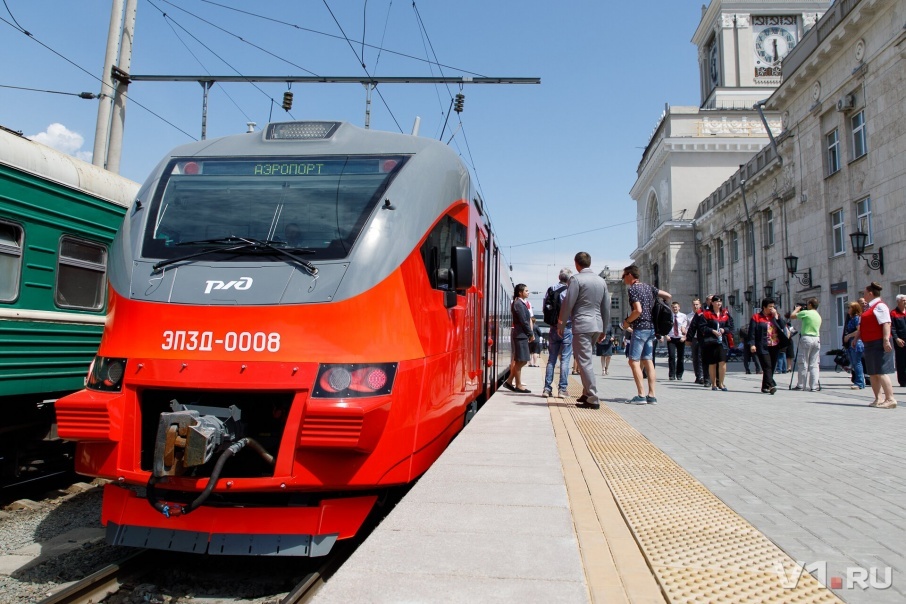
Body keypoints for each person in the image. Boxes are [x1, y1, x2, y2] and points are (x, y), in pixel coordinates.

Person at [557, 252, 610, 409]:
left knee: (584, 361)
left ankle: (592, 397)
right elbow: (605, 307)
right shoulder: (601, 281)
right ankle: (586, 393)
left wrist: (561, 322)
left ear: (576, 264)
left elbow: (568, 303)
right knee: (586, 359)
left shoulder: (576, 279)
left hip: (582, 325)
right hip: (596, 325)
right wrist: (604, 329)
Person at [620, 264, 671, 405]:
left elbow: (638, 310)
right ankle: (652, 395)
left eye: (624, 276)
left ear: (630, 275)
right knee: (648, 361)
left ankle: (641, 395)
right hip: (651, 329)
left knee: (633, 361)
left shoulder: (633, 289)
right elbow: (668, 296)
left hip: (640, 328)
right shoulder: (649, 287)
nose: (623, 279)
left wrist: (627, 322)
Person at [851, 282, 897, 409]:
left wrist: (886, 340)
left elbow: (886, 323)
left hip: (878, 342)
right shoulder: (869, 307)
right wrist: (856, 338)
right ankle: (878, 398)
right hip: (869, 343)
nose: (863, 295)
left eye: (865, 293)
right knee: (872, 372)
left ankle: (890, 399)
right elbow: (863, 326)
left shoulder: (880, 306)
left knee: (881, 371)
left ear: (870, 293)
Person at [542, 268, 573, 398]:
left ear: (559, 276)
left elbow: (545, 307)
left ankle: (547, 389)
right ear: (569, 279)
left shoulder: (550, 289)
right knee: (565, 360)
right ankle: (562, 389)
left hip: (553, 328)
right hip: (567, 327)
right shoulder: (569, 291)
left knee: (551, 359)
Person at [747, 297, 788, 395]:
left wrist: (777, 317)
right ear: (764, 307)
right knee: (767, 366)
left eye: (773, 306)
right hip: (762, 345)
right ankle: (771, 385)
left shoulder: (774, 316)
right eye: (770, 306)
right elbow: (751, 332)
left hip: (774, 345)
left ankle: (765, 387)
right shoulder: (756, 317)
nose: (772, 308)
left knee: (772, 366)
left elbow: (783, 326)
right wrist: (752, 344)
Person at [502, 283, 534, 393]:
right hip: (520, 335)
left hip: (521, 334)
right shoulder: (519, 304)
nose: (528, 292)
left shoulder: (520, 303)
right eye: (526, 291)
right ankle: (518, 385)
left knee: (522, 360)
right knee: (521, 360)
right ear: (520, 292)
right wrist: (530, 333)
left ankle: (510, 381)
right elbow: (524, 321)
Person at [700, 295, 733, 391]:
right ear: (712, 303)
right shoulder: (706, 314)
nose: (719, 303)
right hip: (711, 341)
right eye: (717, 301)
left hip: (722, 341)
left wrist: (724, 329)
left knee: (722, 362)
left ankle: (721, 383)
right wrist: (712, 331)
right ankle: (713, 384)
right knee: (712, 363)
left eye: (720, 302)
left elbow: (730, 326)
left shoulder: (725, 314)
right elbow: (702, 327)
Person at [790, 298, 822, 392]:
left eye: (808, 304)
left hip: (807, 338)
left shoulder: (807, 313)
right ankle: (813, 386)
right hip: (817, 339)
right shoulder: (818, 315)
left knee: (803, 362)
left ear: (811, 305)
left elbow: (792, 316)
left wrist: (797, 309)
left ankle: (801, 385)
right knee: (814, 364)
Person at [842, 301, 865, 390]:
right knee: (854, 363)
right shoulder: (851, 318)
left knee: (857, 362)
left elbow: (859, 330)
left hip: (856, 342)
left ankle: (859, 382)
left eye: (850, 308)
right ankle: (858, 380)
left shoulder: (856, 318)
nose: (848, 310)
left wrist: (849, 336)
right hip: (851, 342)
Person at [666, 301, 688, 381]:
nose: (675, 308)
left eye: (676, 307)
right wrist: (666, 335)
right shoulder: (668, 316)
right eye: (673, 307)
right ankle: (671, 375)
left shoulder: (683, 316)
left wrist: (684, 336)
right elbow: (665, 326)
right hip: (671, 338)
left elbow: (686, 327)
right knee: (671, 356)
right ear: (671, 308)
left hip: (680, 338)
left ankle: (679, 374)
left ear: (679, 307)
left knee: (680, 357)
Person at [891, 294, 906, 387]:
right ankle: (903, 381)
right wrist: (896, 338)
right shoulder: (893, 313)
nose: (905, 302)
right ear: (898, 301)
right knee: (901, 360)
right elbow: (892, 328)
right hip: (900, 340)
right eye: (903, 300)